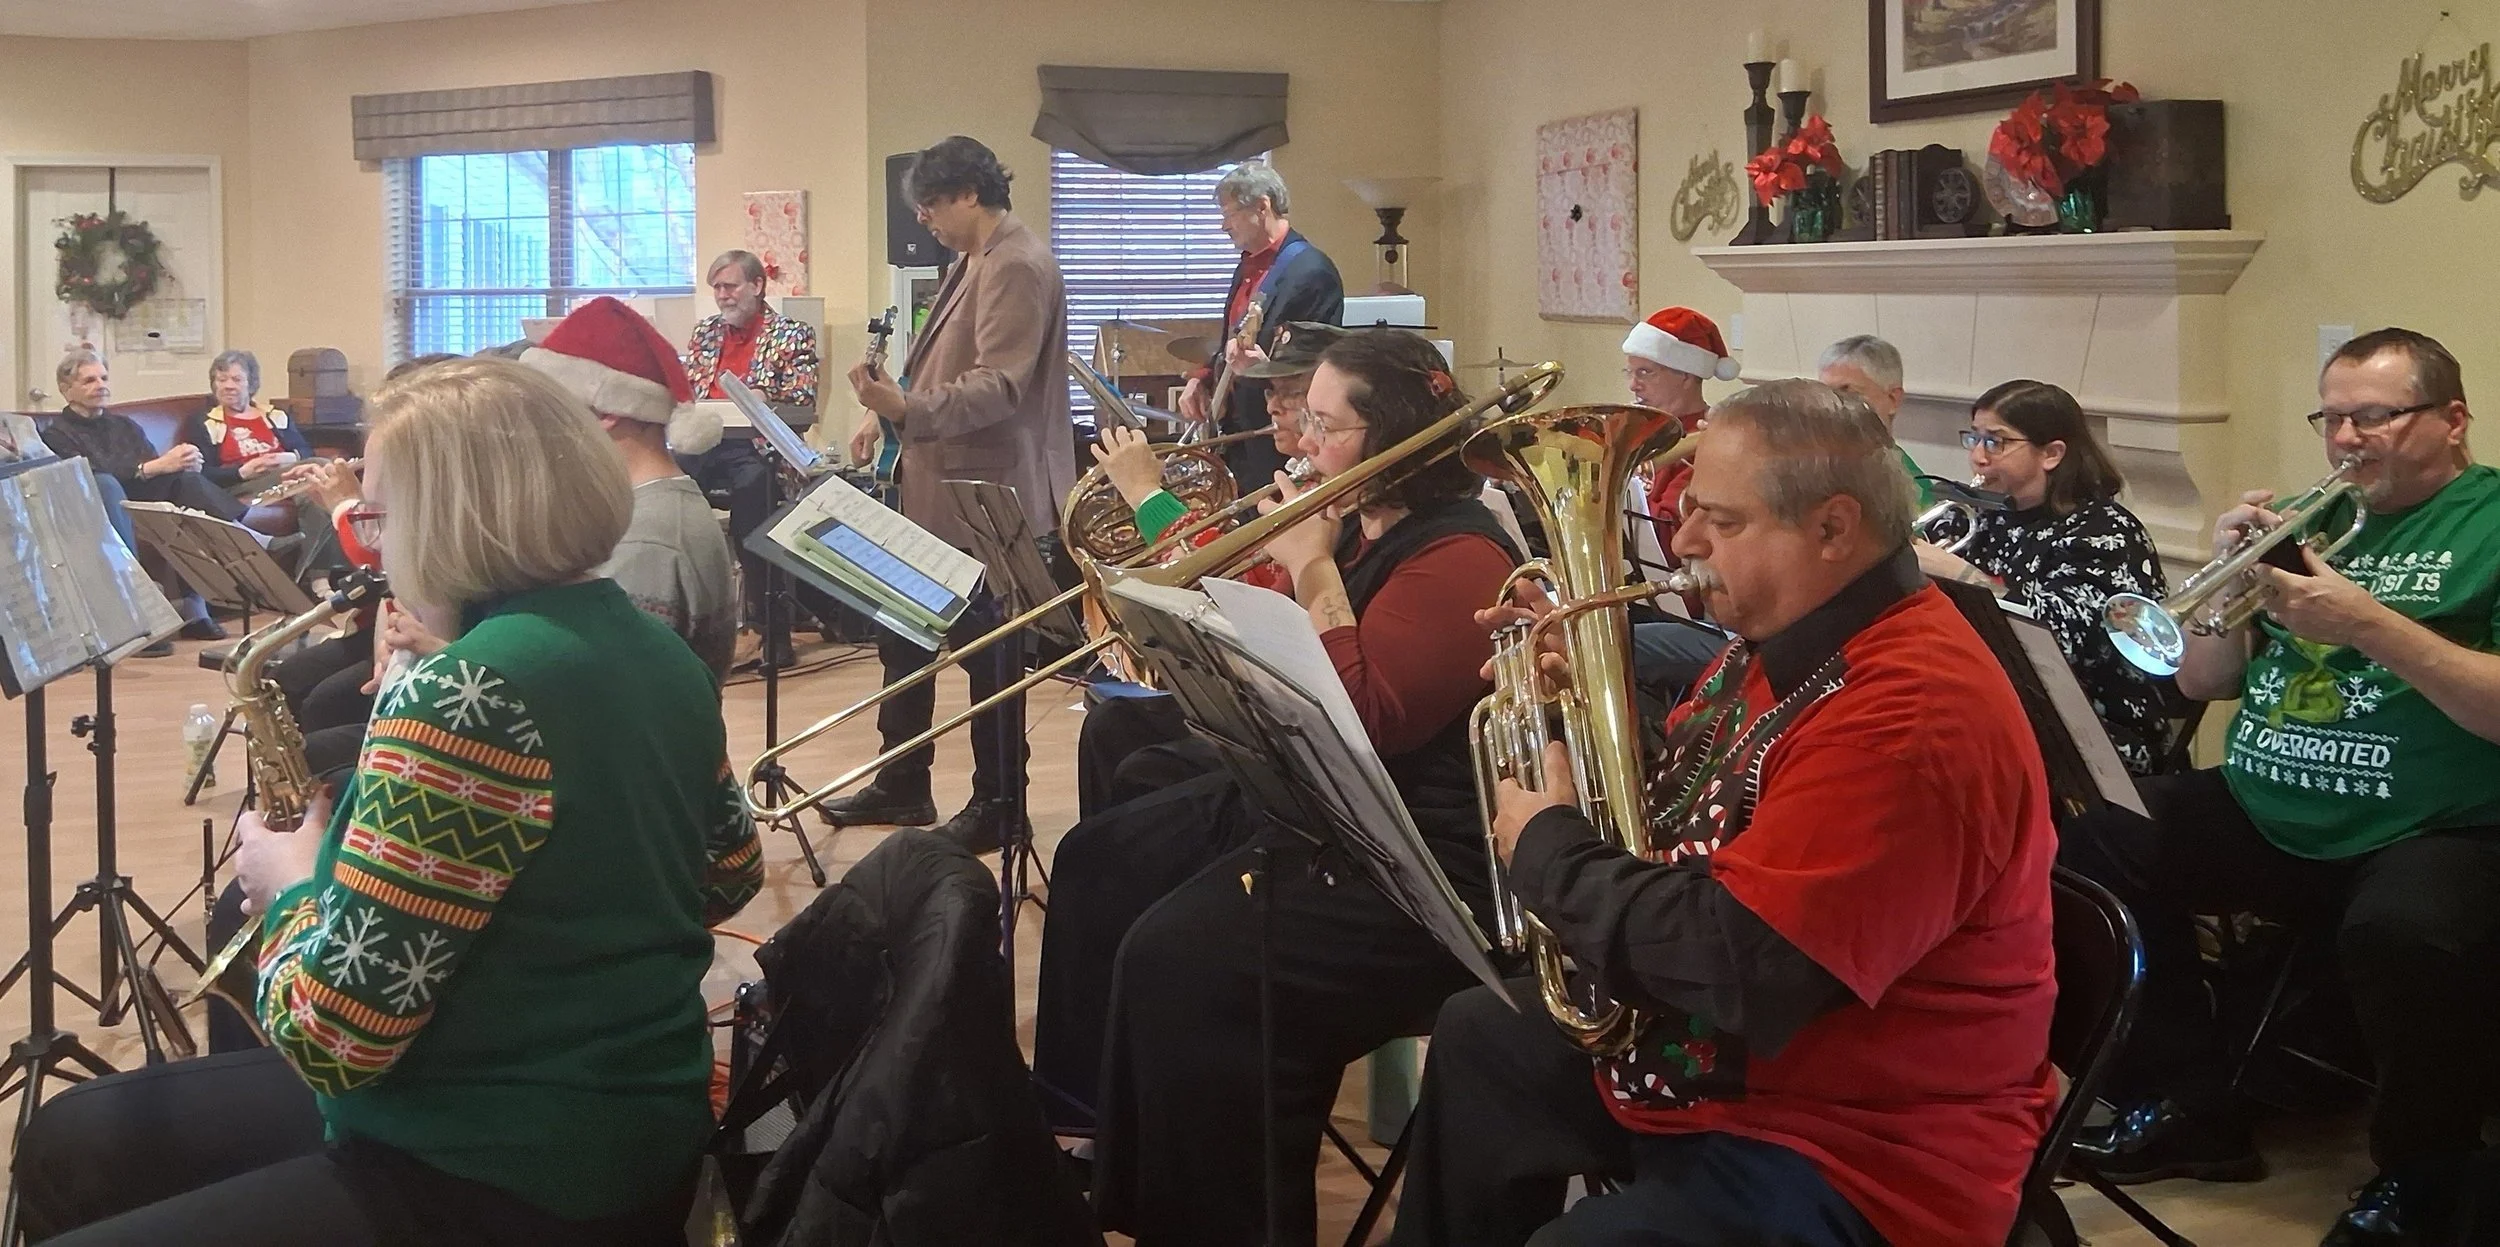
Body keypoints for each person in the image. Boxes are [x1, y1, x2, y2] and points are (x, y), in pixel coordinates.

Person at [12, 356, 765, 1246]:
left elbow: (335, 1037)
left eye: (379, 510)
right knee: (75, 1134)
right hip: (638, 1118)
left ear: (450, 517)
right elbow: (729, 874)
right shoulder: (655, 649)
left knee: (71, 1157)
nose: (374, 535)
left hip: (499, 1162)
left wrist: (288, 883)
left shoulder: (468, 689)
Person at [1386, 378, 2058, 1247]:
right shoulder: (1787, 640)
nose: (1685, 541)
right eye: (1689, 508)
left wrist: (1549, 851)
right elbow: (1711, 810)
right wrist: (1588, 711)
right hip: (1741, 1077)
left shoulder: (1910, 712)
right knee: (1483, 1037)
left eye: (1723, 522)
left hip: (1861, 1149)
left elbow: (1746, 966)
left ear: (1832, 528)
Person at [1034, 329, 1521, 1246]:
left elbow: (1367, 718)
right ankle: (1089, 1137)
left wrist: (1309, 563)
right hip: (1329, 811)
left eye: (1326, 427)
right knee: (1108, 862)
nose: (1299, 445)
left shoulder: (1461, 557)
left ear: (1397, 437)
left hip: (1422, 861)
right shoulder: (1366, 524)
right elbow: (1235, 605)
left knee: (1181, 962)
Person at [2061, 327, 2500, 1246]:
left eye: (2372, 416)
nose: (2345, 440)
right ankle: (2190, 1100)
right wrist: (2219, 584)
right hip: (2273, 804)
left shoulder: (2489, 522)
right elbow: (2201, 685)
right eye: (2332, 417)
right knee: (2094, 835)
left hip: (2433, 822)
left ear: (2452, 420)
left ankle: (2425, 1174)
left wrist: (2369, 624)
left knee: (2410, 930)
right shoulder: (2312, 517)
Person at [832, 134, 1078, 854]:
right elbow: (944, 367)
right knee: (903, 638)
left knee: (989, 660)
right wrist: (886, 410)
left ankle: (1002, 803)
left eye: (932, 204)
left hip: (988, 498)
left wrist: (905, 409)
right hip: (944, 488)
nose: (926, 219)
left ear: (970, 193)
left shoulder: (1017, 265)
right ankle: (904, 782)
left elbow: (1001, 386)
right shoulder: (973, 259)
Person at [1912, 379, 2172, 774]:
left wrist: (1963, 574)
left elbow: (2060, 640)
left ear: (2051, 454)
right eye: (1974, 439)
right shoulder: (1973, 514)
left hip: (2089, 729)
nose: (1979, 457)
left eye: (1996, 442)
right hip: (1986, 705)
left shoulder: (2105, 532)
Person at [526, 297, 737, 684]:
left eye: (555, 410)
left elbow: (601, 689)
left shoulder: (648, 540)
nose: (545, 429)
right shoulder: (643, 512)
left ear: (607, 412)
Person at [680, 248, 818, 666]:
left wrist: (765, 398)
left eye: (730, 286)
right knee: (665, 488)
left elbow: (803, 403)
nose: (723, 296)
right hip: (705, 440)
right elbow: (688, 392)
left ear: (757, 286)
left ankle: (772, 633)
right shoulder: (704, 334)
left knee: (753, 498)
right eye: (717, 288)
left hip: (757, 447)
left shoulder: (793, 334)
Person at [1176, 160, 1345, 492]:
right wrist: (1203, 379)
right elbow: (1232, 338)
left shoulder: (1312, 272)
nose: (1223, 226)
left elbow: (1317, 367)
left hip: (1283, 439)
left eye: (1229, 214)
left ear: (1262, 206)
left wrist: (1263, 370)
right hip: (1241, 435)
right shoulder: (1246, 266)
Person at [41, 349, 226, 640]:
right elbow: (89, 475)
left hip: (141, 497)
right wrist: (154, 466)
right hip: (95, 506)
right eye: (89, 380)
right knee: (108, 484)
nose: (100, 385)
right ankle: (137, 602)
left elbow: (154, 466)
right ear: (66, 390)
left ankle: (196, 604)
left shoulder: (124, 425)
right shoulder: (56, 433)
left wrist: (182, 461)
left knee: (187, 482)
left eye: (103, 378)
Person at [182, 349, 316, 535]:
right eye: (221, 380)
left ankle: (314, 558)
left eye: (236, 379)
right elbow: (201, 474)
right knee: (316, 470)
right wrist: (243, 472)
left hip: (284, 476)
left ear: (251, 384)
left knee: (310, 491)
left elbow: (305, 451)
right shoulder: (204, 422)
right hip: (242, 485)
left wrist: (287, 458)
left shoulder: (274, 415)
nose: (228, 386)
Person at [1816, 334, 1936, 508]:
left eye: (1847, 393)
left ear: (1893, 399)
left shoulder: (1913, 487)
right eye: (1826, 393)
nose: (1831, 405)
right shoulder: (1810, 468)